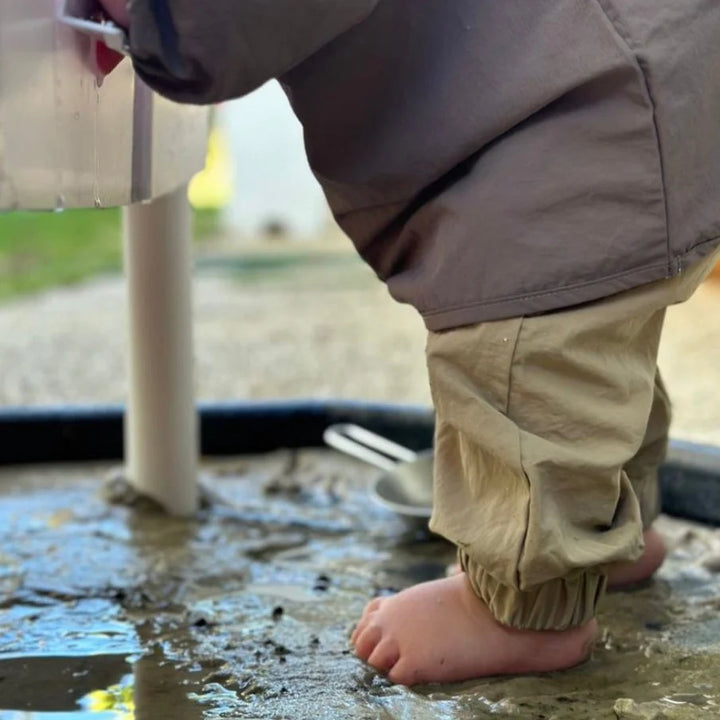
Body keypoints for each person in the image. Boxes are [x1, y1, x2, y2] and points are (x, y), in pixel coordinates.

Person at [98, 0, 720, 686]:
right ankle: (602, 541)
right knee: (597, 334)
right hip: (654, 71)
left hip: (559, 119)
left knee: (521, 357)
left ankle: (524, 611)